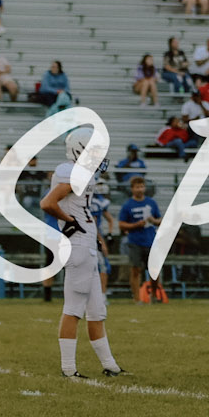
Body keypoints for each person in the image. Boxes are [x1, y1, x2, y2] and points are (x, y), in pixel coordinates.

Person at [42, 134, 126, 376]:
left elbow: (83, 209)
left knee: (97, 311)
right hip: (77, 245)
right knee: (73, 308)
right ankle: (68, 370)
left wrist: (95, 235)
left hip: (86, 244)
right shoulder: (69, 171)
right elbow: (48, 203)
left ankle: (110, 366)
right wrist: (69, 221)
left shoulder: (82, 173)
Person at [117, 174, 165, 302]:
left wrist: (153, 221)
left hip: (150, 240)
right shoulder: (127, 205)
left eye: (142, 186)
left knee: (154, 270)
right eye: (137, 187)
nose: (140, 189)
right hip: (135, 241)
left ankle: (154, 296)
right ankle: (137, 298)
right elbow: (121, 224)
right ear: (132, 189)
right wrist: (136, 225)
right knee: (135, 269)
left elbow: (160, 220)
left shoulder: (151, 202)